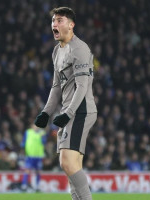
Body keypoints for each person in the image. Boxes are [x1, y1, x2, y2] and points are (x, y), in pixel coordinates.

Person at [34, 7, 97, 200]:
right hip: (70, 111)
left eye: (60, 20)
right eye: (53, 20)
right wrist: (46, 112)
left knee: (66, 162)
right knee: (72, 167)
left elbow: (82, 86)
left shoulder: (79, 49)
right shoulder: (57, 51)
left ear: (71, 25)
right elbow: (56, 86)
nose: (54, 24)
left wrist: (68, 114)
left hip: (81, 110)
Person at [21, 125, 47, 191]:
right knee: (27, 170)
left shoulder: (42, 133)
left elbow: (44, 142)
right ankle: (24, 185)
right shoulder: (28, 132)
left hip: (38, 156)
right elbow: (23, 142)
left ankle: (37, 186)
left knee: (38, 171)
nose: (36, 127)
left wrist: (42, 137)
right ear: (32, 126)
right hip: (30, 155)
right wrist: (23, 149)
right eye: (35, 126)